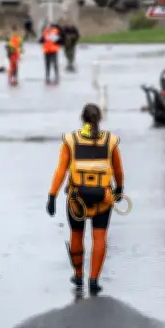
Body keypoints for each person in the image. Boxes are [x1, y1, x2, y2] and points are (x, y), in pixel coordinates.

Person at [45, 103, 125, 295]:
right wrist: (120, 189)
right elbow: (118, 170)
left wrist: (52, 195)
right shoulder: (110, 141)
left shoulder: (71, 140)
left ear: (82, 118)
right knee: (99, 238)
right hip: (103, 199)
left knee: (76, 235)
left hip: (76, 199)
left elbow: (61, 170)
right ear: (100, 119)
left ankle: (79, 275)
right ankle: (94, 280)